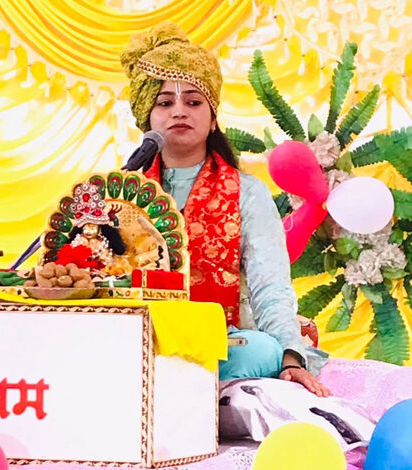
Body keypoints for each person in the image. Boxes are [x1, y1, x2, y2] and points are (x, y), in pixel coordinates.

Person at [121, 23, 330, 397]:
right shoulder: (124, 191)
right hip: (138, 336)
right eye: (165, 103)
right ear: (147, 118)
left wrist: (290, 358)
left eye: (193, 102)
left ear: (213, 117)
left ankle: (169, 381)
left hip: (220, 343)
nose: (179, 111)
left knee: (262, 350)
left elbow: (271, 285)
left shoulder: (247, 193)